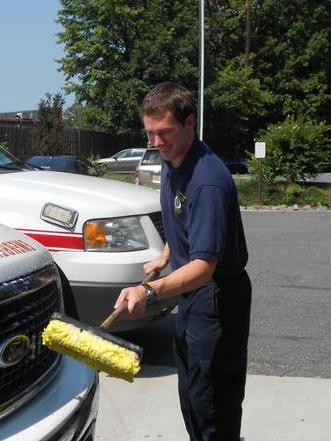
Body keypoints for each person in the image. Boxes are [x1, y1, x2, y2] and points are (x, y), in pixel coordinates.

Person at [114, 82, 252, 441]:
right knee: (191, 394)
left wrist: (148, 290)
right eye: (150, 134)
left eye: (166, 133)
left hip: (218, 297)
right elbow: (184, 225)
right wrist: (164, 256)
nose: (157, 143)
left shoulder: (208, 181)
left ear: (190, 122)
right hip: (192, 293)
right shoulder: (174, 161)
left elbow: (204, 267)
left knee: (212, 404)